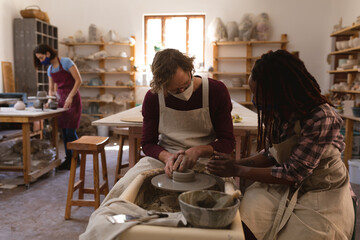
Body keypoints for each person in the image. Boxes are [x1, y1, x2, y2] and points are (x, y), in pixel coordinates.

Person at [207, 50, 355, 240]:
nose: (255, 100)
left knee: (309, 234)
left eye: (259, 94)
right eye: (253, 93)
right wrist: (237, 162)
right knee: (243, 221)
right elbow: (271, 154)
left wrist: (237, 169)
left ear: (282, 92)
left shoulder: (322, 117)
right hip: (285, 184)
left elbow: (293, 173)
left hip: (320, 188)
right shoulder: (280, 111)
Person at [100, 48, 235, 202]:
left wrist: (199, 150)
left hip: (207, 158)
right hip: (165, 157)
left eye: (186, 83)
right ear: (162, 86)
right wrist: (167, 157)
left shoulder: (216, 90)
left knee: (228, 199)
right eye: (175, 90)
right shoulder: (153, 97)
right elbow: (148, 143)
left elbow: (228, 142)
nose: (183, 91)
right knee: (122, 193)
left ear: (190, 70)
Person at [33, 44, 82, 170]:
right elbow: (51, 89)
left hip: (72, 99)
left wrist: (70, 97)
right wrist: (49, 101)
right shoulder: (50, 69)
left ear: (48, 54)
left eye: (41, 57)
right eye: (39, 59)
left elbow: (78, 80)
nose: (41, 60)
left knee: (70, 131)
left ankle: (77, 158)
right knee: (65, 132)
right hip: (60, 101)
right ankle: (69, 159)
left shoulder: (66, 62)